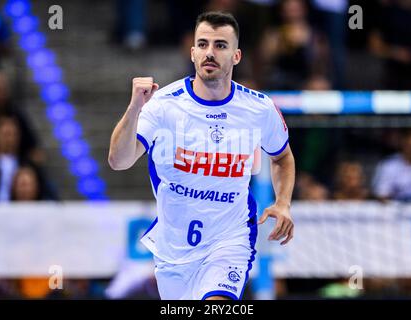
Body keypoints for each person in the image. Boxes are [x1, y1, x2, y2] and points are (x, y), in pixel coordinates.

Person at [108, 11, 295, 300]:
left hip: (230, 240)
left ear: (236, 56)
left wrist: (283, 203)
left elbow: (282, 157)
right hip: (174, 250)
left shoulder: (259, 109)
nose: (210, 52)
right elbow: (118, 161)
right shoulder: (163, 105)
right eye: (204, 44)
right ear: (193, 52)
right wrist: (134, 108)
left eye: (220, 45)